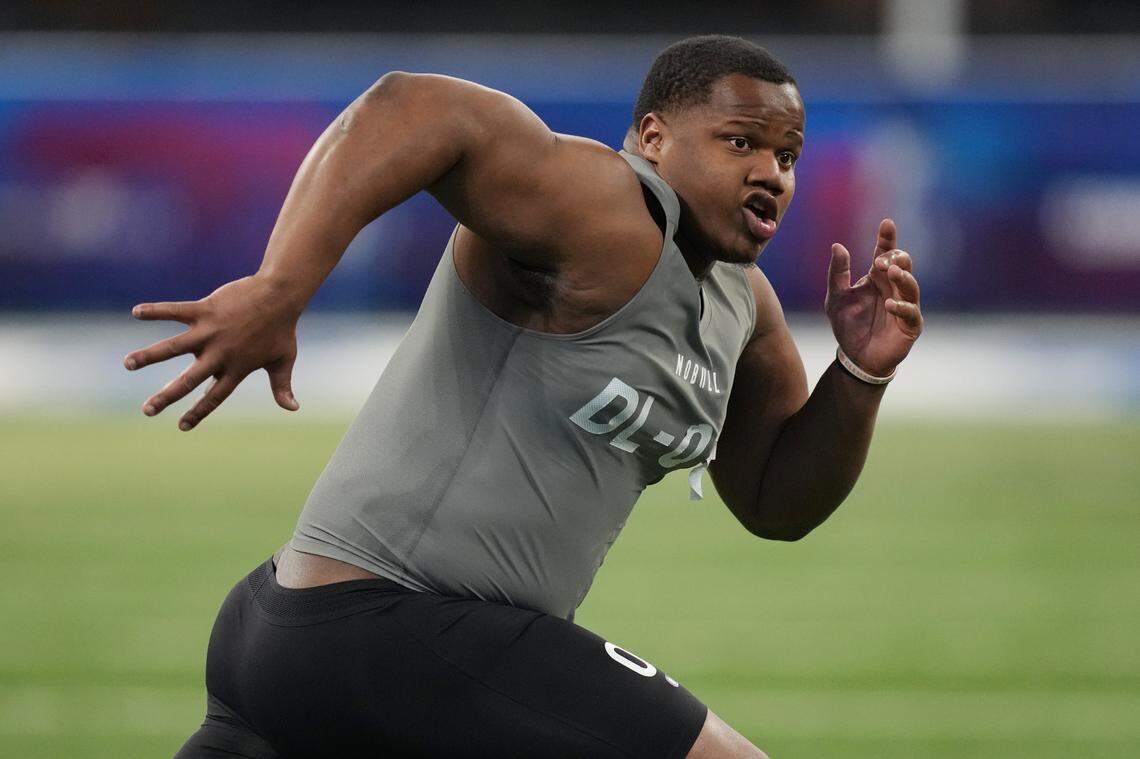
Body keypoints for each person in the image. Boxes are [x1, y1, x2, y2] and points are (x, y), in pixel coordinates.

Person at [126, 35, 922, 759]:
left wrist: (860, 375)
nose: (771, 174)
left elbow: (776, 501)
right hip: (384, 623)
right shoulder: (606, 208)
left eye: (788, 155)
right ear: (653, 139)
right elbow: (411, 105)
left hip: (314, 640)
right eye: (741, 142)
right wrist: (280, 287)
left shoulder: (744, 306)